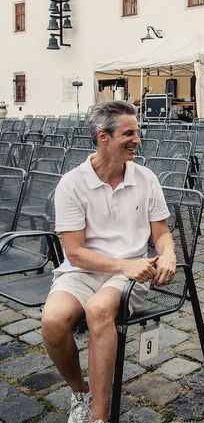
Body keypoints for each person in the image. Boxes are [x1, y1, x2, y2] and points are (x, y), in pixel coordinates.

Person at [41, 101, 176, 423]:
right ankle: (80, 391)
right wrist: (122, 265)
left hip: (131, 273)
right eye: (128, 133)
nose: (137, 139)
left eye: (137, 132)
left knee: (99, 310)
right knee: (53, 320)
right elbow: (74, 253)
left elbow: (161, 232)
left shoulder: (145, 178)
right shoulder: (73, 183)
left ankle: (98, 417)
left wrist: (168, 253)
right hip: (84, 270)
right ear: (104, 137)